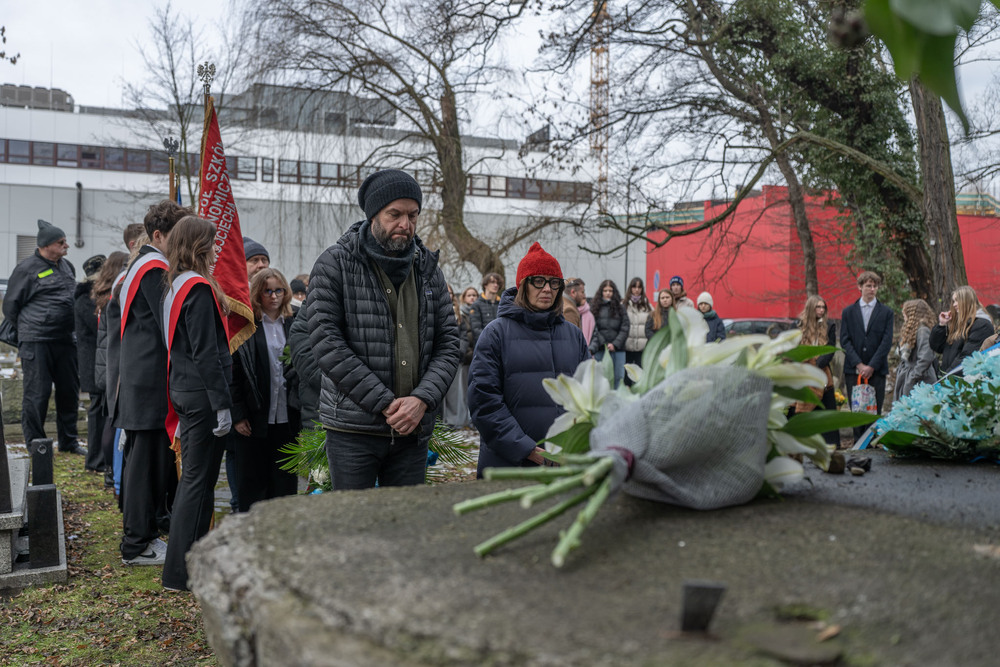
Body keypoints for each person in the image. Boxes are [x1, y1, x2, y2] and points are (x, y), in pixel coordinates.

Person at [307, 169, 460, 489]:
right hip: (353, 432)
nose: (405, 224)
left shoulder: (428, 269)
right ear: (373, 214)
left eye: (413, 215)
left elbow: (448, 344)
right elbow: (327, 343)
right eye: (395, 214)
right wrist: (386, 403)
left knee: (404, 531)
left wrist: (421, 400)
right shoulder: (335, 264)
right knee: (355, 530)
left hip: (413, 431)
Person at [469, 242, 589, 475]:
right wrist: (526, 448)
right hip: (508, 464)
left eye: (554, 282)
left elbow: (588, 395)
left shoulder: (573, 335)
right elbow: (483, 401)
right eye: (538, 281)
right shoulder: (496, 333)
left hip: (564, 462)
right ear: (524, 285)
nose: (547, 289)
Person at [160, 216, 234, 592]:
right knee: (197, 481)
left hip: (185, 391)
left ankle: (192, 564)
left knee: (199, 481)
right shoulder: (199, 289)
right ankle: (179, 572)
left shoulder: (174, 286)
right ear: (197, 245)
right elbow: (207, 352)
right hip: (204, 397)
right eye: (211, 241)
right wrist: (222, 403)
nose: (216, 247)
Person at [116, 200, 190, 566]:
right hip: (149, 382)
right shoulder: (153, 268)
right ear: (158, 236)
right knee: (145, 467)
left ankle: (143, 534)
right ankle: (137, 543)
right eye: (177, 237)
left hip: (141, 379)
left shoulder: (144, 263)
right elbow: (171, 322)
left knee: (143, 464)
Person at [3, 219, 85, 455]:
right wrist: (30, 327)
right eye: (61, 242)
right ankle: (35, 444)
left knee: (69, 392)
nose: (66, 246)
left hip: (65, 341)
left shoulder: (67, 266)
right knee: (37, 394)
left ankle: (69, 441)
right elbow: (10, 307)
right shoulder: (26, 268)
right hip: (36, 341)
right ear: (46, 245)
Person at [230, 268, 300, 512]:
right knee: (253, 481)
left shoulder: (295, 321)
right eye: (267, 291)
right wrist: (237, 414)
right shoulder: (247, 324)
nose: (273, 296)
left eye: (278, 290)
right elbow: (234, 372)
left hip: (287, 414)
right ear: (257, 294)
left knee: (285, 480)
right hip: (254, 415)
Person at [840, 270, 894, 439]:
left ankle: (871, 444)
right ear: (860, 287)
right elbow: (844, 340)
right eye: (868, 286)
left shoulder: (886, 312)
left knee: (873, 411)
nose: (872, 289)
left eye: (875, 286)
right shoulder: (848, 312)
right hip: (853, 370)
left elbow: (886, 341)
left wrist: (871, 366)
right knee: (856, 410)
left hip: (876, 370)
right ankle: (857, 445)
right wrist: (859, 364)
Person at [93, 251, 129, 490]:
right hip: (112, 366)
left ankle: (108, 469)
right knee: (112, 420)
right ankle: (111, 471)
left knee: (109, 419)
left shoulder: (102, 296)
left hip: (106, 365)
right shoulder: (114, 297)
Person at [792, 295, 838, 445]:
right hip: (802, 373)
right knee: (800, 407)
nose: (821, 310)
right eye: (818, 307)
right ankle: (800, 443)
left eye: (823, 307)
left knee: (827, 410)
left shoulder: (829, 325)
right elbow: (792, 349)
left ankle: (830, 445)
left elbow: (831, 349)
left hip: (823, 373)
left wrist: (818, 366)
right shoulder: (798, 325)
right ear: (811, 308)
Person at [76, 254, 106, 472]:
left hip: (97, 363)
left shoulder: (90, 296)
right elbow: (98, 328)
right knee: (96, 412)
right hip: (93, 364)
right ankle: (94, 460)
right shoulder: (85, 299)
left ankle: (98, 458)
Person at [929, 285, 994, 374]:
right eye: (954, 301)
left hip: (962, 382)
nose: (954, 304)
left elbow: (966, 358)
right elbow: (937, 347)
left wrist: (946, 378)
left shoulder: (982, 325)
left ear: (967, 301)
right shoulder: (959, 325)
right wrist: (942, 325)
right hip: (950, 381)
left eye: (957, 300)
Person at [442, 284, 473, 428]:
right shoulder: (436, 309)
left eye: (450, 293)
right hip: (439, 357)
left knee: (455, 393)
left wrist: (458, 352)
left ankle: (454, 422)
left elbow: (464, 337)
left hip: (455, 358)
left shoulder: (458, 314)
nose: (448, 295)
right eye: (446, 292)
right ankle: (441, 421)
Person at [895, 299, 938, 399]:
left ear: (912, 315)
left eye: (905, 314)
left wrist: (912, 378)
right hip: (909, 376)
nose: (904, 317)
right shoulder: (913, 331)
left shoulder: (923, 331)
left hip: (920, 381)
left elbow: (925, 359)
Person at [589, 279, 629, 387]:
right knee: (601, 379)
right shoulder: (594, 307)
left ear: (614, 292)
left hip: (618, 350)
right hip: (601, 349)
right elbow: (593, 327)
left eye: (610, 290)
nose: (608, 293)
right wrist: (604, 343)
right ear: (601, 292)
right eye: (605, 290)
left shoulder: (620, 308)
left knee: (618, 378)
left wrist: (615, 344)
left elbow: (625, 327)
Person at [469, 272, 504, 349]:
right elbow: (476, 329)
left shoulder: (502, 304)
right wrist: (490, 342)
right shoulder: (476, 305)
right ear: (485, 285)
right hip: (484, 347)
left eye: (498, 283)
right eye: (492, 282)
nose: (496, 285)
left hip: (502, 347)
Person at [623, 276, 651, 369]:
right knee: (626, 377)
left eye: (639, 287)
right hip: (627, 347)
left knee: (640, 376)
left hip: (642, 348)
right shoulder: (624, 305)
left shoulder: (648, 306)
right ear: (630, 288)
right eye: (634, 287)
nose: (636, 290)